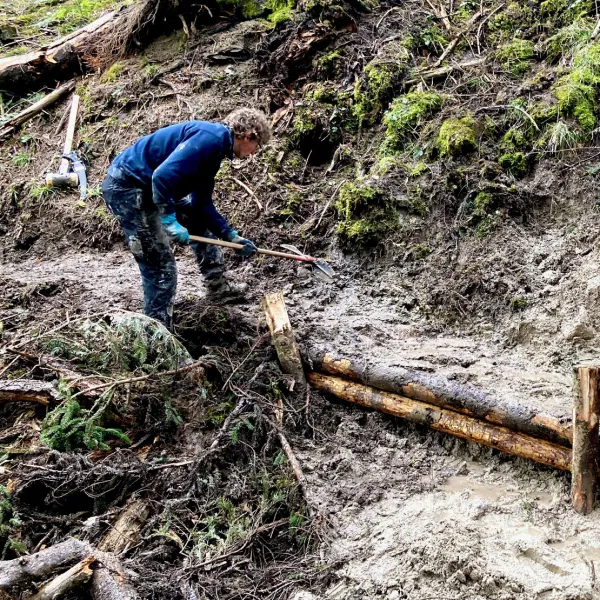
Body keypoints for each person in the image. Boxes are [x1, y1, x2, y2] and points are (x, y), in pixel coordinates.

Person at [101, 108, 272, 329]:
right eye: (256, 147)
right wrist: (169, 219)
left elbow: (202, 205)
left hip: (147, 186)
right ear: (249, 136)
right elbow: (162, 177)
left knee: (197, 220)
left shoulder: (215, 149)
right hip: (127, 187)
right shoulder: (210, 140)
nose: (253, 153)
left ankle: (217, 287)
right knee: (160, 267)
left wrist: (230, 235)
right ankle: (158, 335)